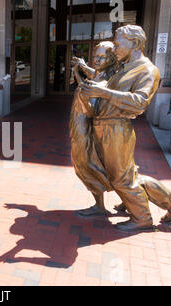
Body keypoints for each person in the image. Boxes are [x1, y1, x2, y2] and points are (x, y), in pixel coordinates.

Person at [80, 25, 171, 231]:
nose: (115, 47)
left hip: (116, 129)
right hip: (105, 126)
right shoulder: (124, 66)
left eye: (119, 44)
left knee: (122, 178)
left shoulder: (147, 70)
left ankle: (142, 217)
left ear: (135, 43)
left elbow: (139, 102)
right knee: (127, 176)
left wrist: (104, 94)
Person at [70, 42, 117, 216]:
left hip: (85, 127)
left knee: (86, 163)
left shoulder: (106, 81)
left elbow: (91, 109)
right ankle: (113, 200)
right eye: (95, 56)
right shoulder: (100, 74)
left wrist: (80, 80)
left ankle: (100, 205)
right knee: (85, 162)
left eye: (101, 57)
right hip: (78, 124)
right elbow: (92, 75)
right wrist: (80, 69)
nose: (96, 60)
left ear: (111, 59)